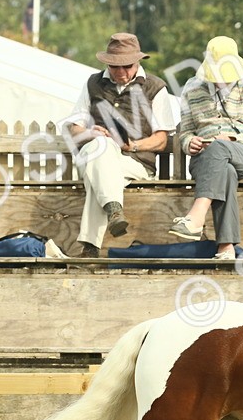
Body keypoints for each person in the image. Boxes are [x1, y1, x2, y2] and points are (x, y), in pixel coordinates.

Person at [66, 32, 178, 257]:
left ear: (137, 61)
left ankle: (90, 247)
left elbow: (161, 139)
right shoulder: (93, 83)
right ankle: (114, 210)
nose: (121, 72)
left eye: (126, 66)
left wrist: (133, 146)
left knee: (98, 173)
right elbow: (73, 128)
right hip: (94, 154)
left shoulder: (155, 87)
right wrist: (91, 132)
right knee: (103, 147)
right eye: (115, 66)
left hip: (135, 163)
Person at [170, 36, 243, 260]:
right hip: (205, 159)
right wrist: (190, 142)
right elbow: (186, 133)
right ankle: (226, 248)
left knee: (220, 148)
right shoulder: (192, 87)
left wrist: (233, 139)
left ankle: (196, 218)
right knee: (224, 170)